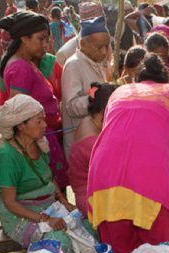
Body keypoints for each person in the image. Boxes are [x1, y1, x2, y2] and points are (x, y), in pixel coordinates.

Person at [87, 54, 169, 253]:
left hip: (105, 181)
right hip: (152, 183)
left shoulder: (120, 92)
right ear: (165, 79)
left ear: (137, 80)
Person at [0, 94, 75, 252]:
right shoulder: (7, 156)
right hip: (19, 216)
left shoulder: (39, 143)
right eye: (39, 121)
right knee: (60, 241)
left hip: (46, 207)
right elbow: (10, 203)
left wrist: (64, 201)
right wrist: (45, 219)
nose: (45, 125)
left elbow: (48, 177)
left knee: (83, 226)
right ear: (21, 126)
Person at [0, 11, 68, 191]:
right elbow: (19, 114)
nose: (45, 45)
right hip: (38, 140)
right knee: (52, 194)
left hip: (42, 136)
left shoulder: (26, 63)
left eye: (47, 39)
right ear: (24, 38)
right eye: (41, 39)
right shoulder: (20, 68)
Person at [60, 15, 110, 156]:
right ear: (83, 44)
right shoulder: (73, 65)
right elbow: (71, 107)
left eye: (107, 46)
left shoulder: (96, 61)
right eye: (99, 47)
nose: (104, 52)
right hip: (80, 142)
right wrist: (95, 97)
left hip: (95, 137)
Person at [68, 81, 116, 211]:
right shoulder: (92, 142)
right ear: (107, 109)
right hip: (90, 198)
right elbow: (112, 173)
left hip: (91, 191)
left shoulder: (89, 120)